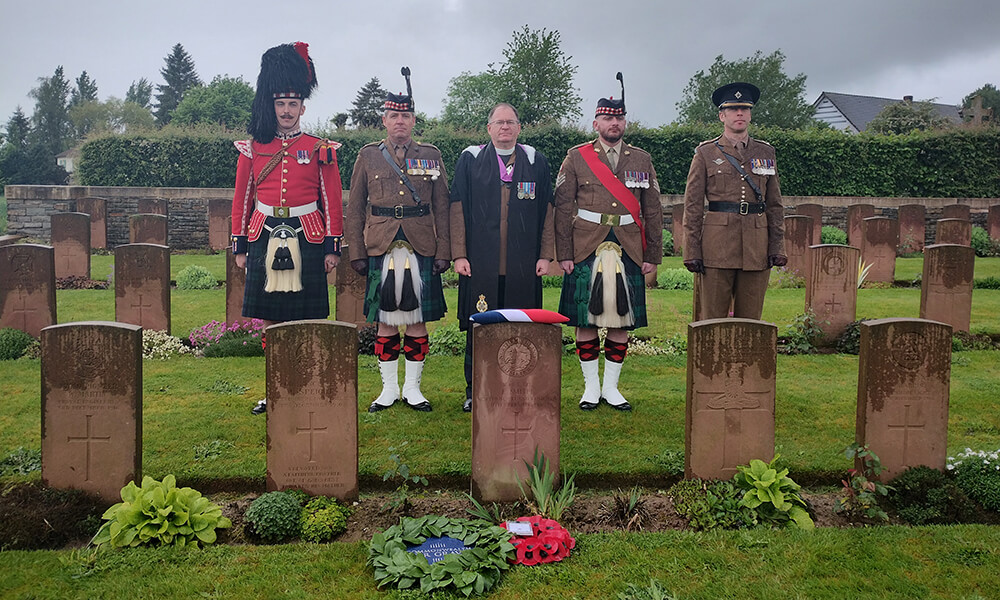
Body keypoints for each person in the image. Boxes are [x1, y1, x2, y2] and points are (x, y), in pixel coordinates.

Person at [230, 42, 343, 415]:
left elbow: (332, 199)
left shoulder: (320, 148)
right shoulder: (254, 148)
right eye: (281, 104)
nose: (287, 111)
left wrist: (331, 247)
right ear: (272, 106)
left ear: (303, 108)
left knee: (306, 318)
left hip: (307, 234)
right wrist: (241, 246)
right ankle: (274, 387)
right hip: (263, 233)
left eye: (293, 105)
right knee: (271, 318)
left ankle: (306, 387)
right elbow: (242, 198)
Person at [554, 73, 662, 411]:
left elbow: (653, 209)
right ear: (596, 122)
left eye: (618, 118)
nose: (613, 123)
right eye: (607, 118)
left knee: (622, 321)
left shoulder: (641, 158)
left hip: (629, 244)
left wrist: (653, 254)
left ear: (624, 122)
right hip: (586, 244)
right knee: (584, 321)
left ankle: (612, 388)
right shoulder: (576, 156)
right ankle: (590, 387)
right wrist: (564, 253)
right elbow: (562, 207)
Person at [345, 67, 450, 413]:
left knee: (417, 319)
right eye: (393, 115)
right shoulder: (368, 155)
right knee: (386, 320)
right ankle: (388, 389)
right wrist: (357, 251)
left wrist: (444, 250)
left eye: (405, 115)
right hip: (380, 243)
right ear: (384, 120)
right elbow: (356, 207)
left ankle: (413, 388)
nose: (400, 121)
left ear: (414, 120)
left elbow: (442, 206)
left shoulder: (431, 154)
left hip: (421, 242)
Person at [450, 103, 554, 412]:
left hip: (523, 264)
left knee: (523, 328)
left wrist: (546, 255)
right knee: (478, 327)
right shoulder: (470, 160)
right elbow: (456, 208)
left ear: (519, 128)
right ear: (489, 129)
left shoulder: (536, 161)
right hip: (480, 262)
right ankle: (475, 389)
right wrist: (459, 254)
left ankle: (523, 388)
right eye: (499, 122)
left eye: (510, 122)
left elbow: (549, 211)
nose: (505, 127)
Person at [681, 82, 786, 320]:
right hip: (717, 246)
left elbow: (775, 204)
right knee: (712, 320)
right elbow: (693, 206)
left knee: (751, 321)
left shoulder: (765, 152)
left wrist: (777, 246)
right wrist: (692, 250)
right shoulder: (706, 153)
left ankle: (746, 359)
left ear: (750, 114)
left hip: (756, 247)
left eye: (745, 109)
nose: (740, 113)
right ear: (722, 115)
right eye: (733, 109)